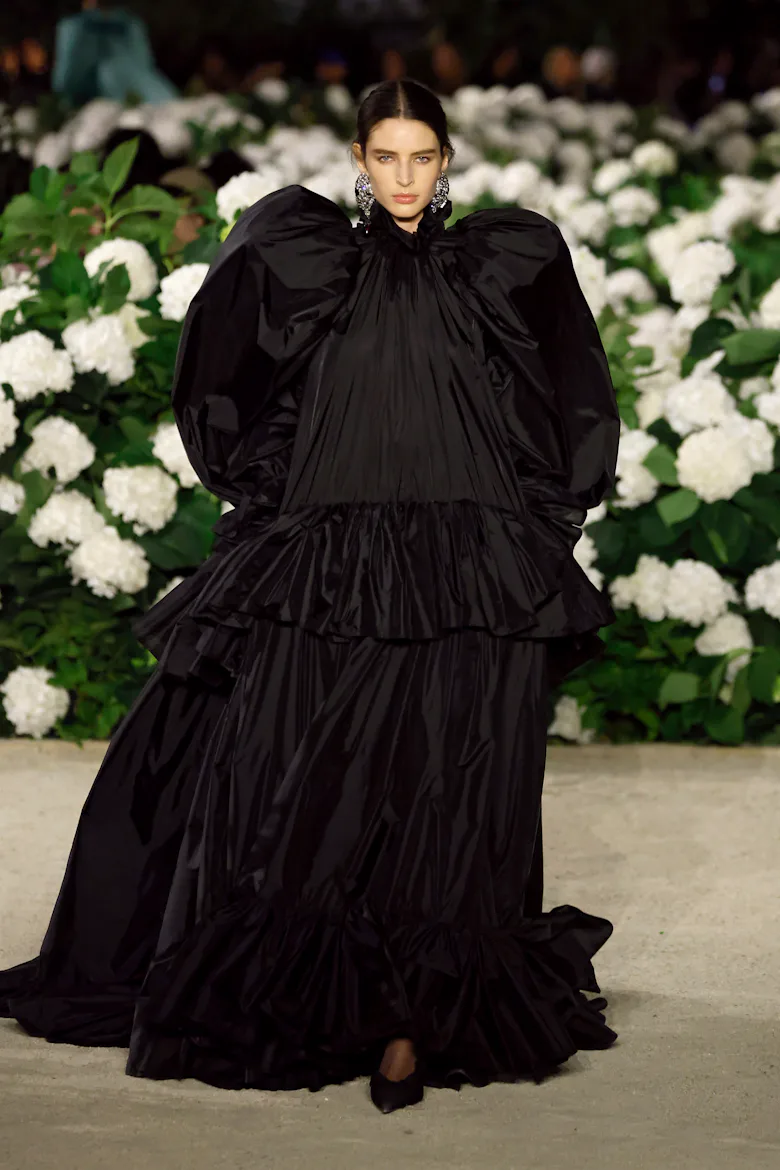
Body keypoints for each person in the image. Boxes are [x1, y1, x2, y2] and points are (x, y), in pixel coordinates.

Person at [0, 77, 620, 1114]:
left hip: (469, 559)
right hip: (333, 554)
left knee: (452, 785)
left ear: (449, 160)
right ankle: (333, 1002)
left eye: (424, 157)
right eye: (389, 157)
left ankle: (414, 1017)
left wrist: (542, 514)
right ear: (359, 160)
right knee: (313, 783)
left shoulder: (508, 259)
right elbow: (223, 368)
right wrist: (266, 489)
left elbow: (569, 381)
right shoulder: (306, 253)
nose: (408, 177)